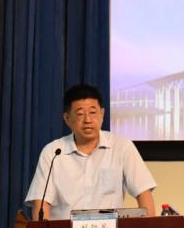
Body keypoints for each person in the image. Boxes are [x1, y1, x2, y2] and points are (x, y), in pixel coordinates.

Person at [25, 83, 157, 220]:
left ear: (102, 114)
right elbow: (41, 203)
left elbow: (143, 193)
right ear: (67, 119)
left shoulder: (122, 147)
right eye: (80, 114)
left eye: (93, 113)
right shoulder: (53, 152)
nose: (88, 120)